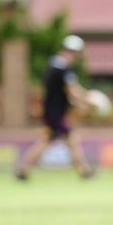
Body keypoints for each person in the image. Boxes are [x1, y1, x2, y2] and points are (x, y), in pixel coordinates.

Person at [15, 35, 94, 179]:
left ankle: (23, 170)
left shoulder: (54, 64)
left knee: (50, 141)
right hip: (55, 114)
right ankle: (84, 171)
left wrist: (80, 101)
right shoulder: (63, 67)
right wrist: (87, 100)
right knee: (69, 139)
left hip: (52, 112)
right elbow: (72, 90)